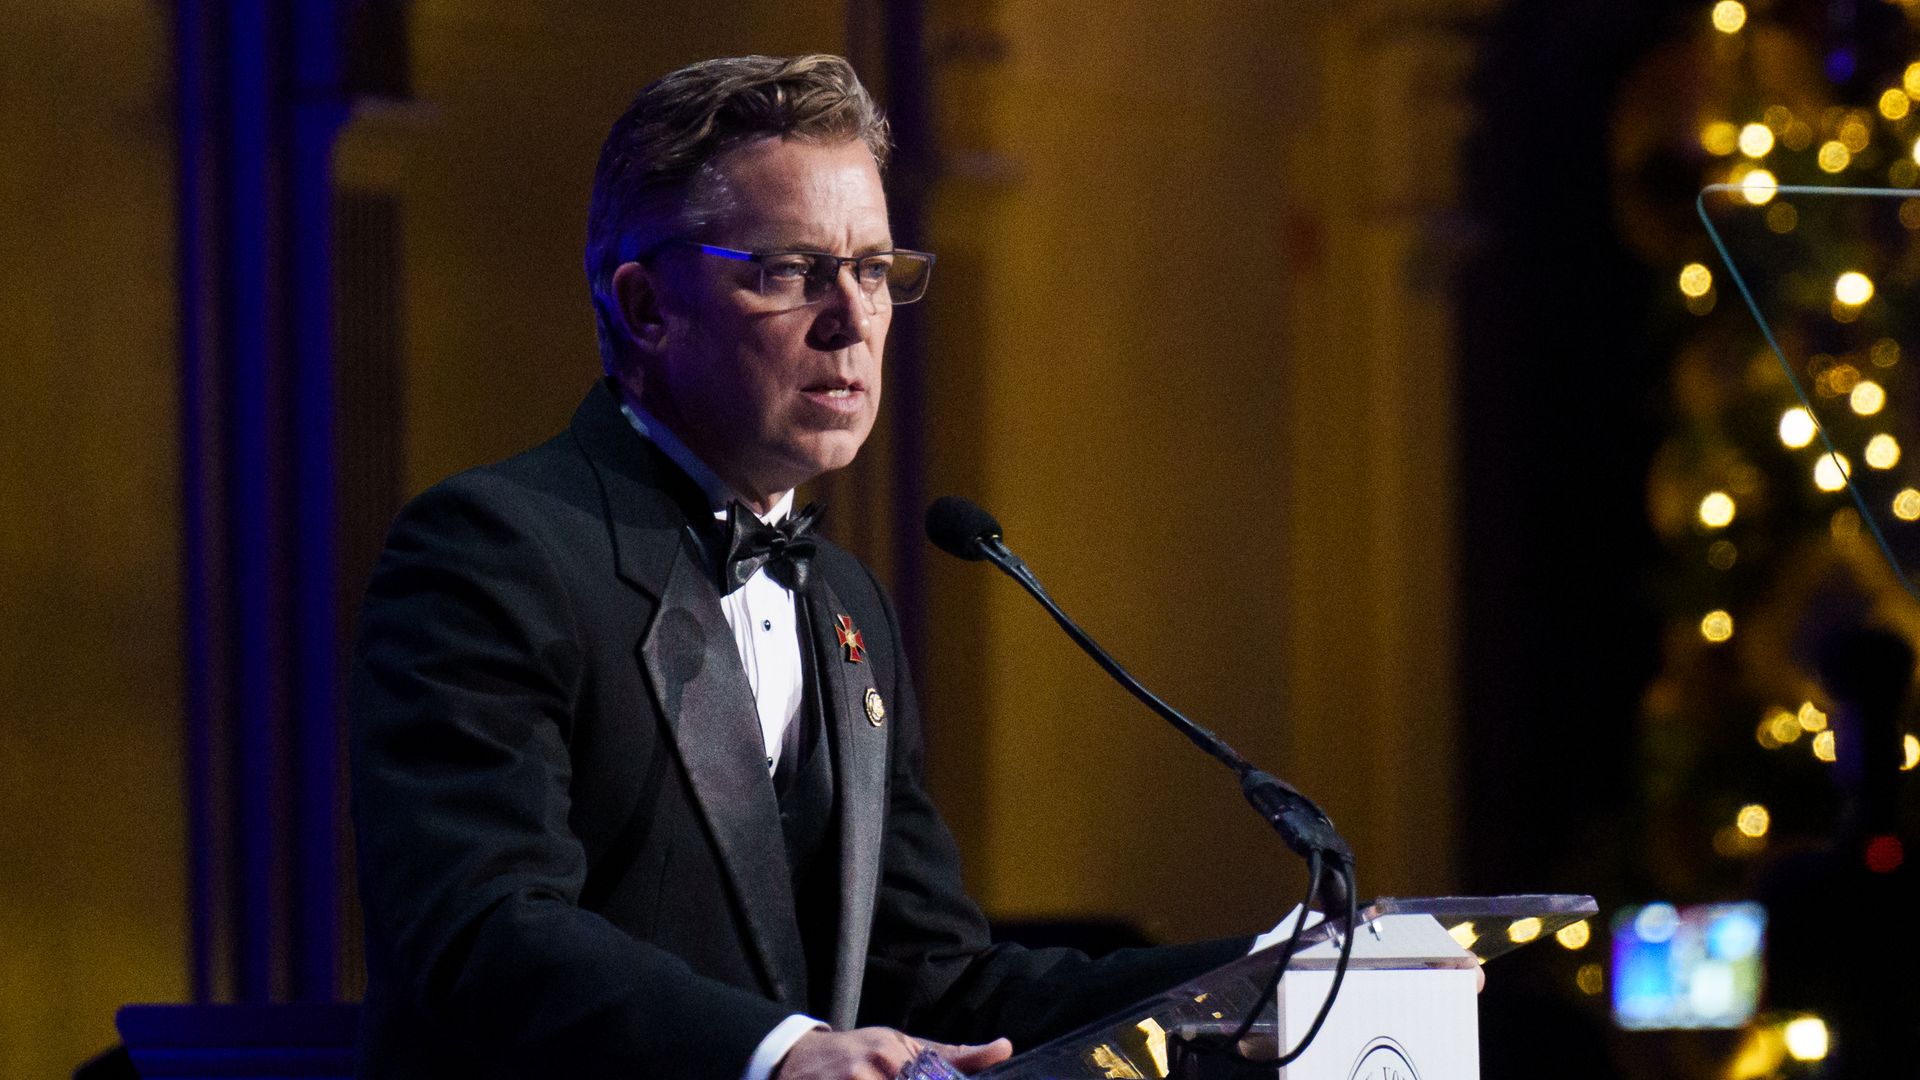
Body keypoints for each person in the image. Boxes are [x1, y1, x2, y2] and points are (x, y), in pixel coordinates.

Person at [348, 54, 1247, 1080]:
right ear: (646, 306)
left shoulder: (847, 602)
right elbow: (482, 931)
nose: (852, 317)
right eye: (789, 270)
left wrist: (1266, 974)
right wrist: (775, 1054)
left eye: (871, 269)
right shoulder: (492, 551)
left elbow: (935, 982)